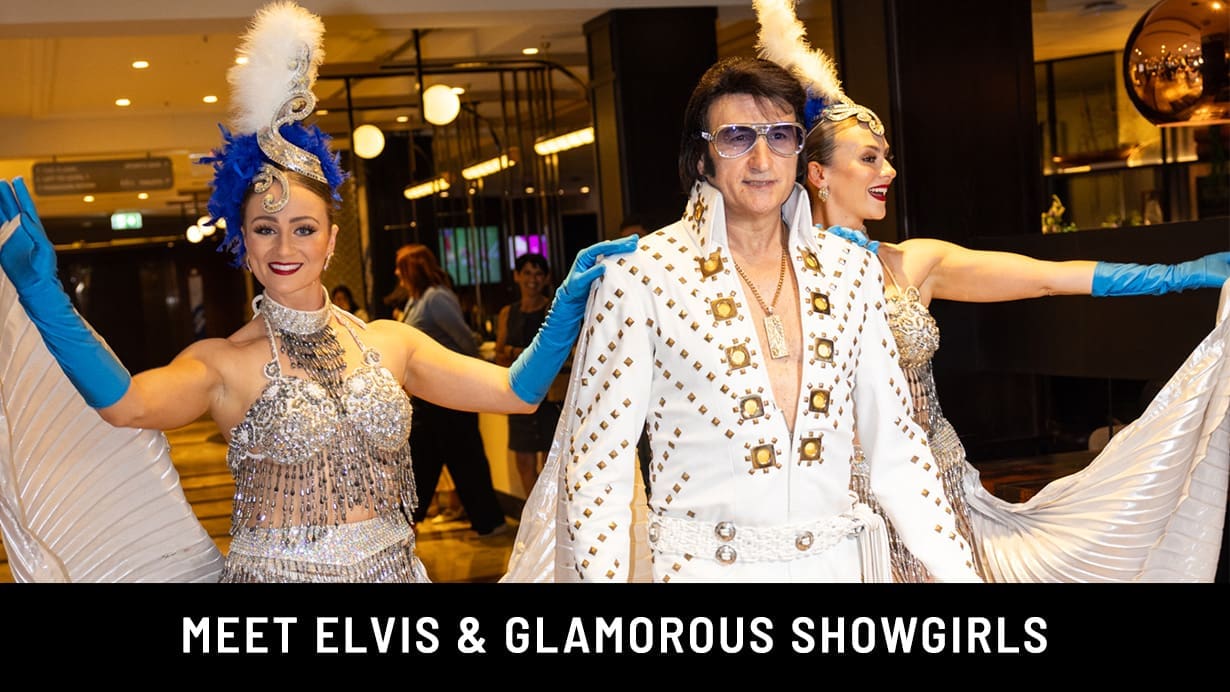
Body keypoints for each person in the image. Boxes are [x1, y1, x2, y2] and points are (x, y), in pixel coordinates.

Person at [0, 1, 635, 583]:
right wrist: (43, 295)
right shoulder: (222, 362)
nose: (285, 246)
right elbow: (127, 405)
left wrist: (566, 303)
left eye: (303, 229)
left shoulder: (391, 343)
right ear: (243, 243)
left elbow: (516, 392)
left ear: (330, 241)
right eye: (265, 229)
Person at [754, 0, 1229, 581]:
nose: (889, 172)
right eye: (870, 159)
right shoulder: (781, 275)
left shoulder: (914, 262)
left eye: (888, 159)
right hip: (838, 505)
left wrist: (1180, 275)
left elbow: (1047, 278)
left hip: (935, 487)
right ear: (818, 174)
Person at [506, 55, 980, 583]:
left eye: (781, 136)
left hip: (839, 567)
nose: (762, 158)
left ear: (799, 150)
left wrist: (961, 576)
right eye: (736, 137)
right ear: (701, 158)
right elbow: (599, 475)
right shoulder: (641, 275)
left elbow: (898, 449)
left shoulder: (851, 270)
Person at [396, 243, 509, 537]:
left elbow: (464, 340)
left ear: (413, 270)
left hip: (451, 395)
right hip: (429, 397)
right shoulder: (416, 301)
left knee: (461, 457)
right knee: (428, 458)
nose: (396, 273)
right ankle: (409, 522)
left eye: (401, 268)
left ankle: (488, 521)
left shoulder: (436, 298)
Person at [495, 252, 563, 495]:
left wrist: (514, 352)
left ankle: (547, 515)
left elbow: (554, 353)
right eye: (526, 273)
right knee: (523, 462)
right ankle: (529, 512)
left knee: (548, 464)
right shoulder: (507, 313)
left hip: (549, 396)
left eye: (538, 274)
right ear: (517, 276)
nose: (532, 279)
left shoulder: (552, 309)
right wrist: (521, 353)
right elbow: (499, 354)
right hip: (517, 393)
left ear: (546, 278)